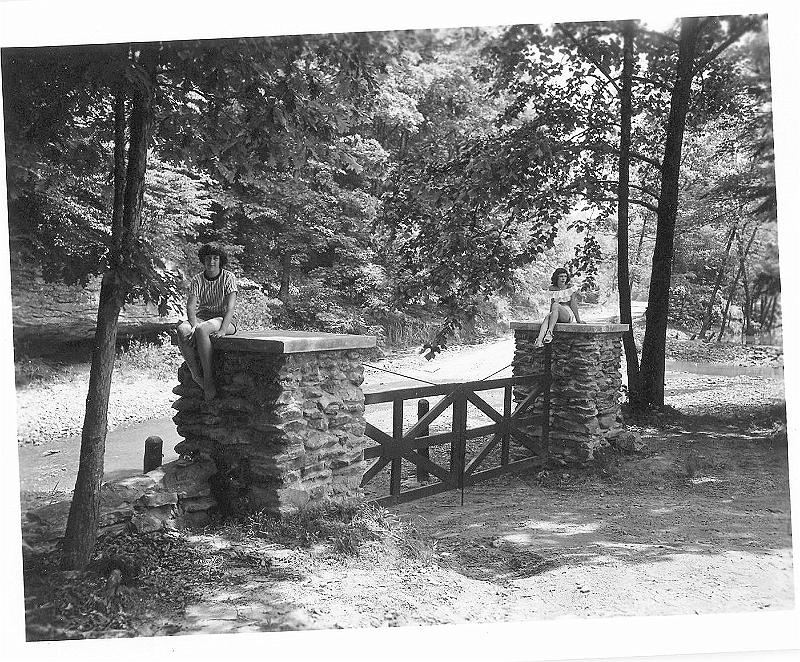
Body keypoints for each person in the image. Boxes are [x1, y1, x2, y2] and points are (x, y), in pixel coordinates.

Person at [175, 244, 238, 400]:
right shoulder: (197, 279)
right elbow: (190, 306)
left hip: (225, 320)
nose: (211, 262)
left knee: (203, 329)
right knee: (183, 329)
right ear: (203, 260)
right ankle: (197, 376)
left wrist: (222, 331)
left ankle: (208, 378)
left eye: (215, 258)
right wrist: (193, 325)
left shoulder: (228, 277)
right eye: (208, 258)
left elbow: (230, 308)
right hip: (203, 316)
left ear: (220, 260)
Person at [534, 267, 583, 348]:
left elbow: (573, 304)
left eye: (565, 276)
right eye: (561, 276)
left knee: (556, 305)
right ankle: (539, 341)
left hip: (567, 313)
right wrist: (551, 315)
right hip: (556, 312)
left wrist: (578, 320)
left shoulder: (570, 287)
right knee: (547, 317)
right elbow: (552, 304)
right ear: (556, 277)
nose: (563, 278)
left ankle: (549, 333)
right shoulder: (552, 288)